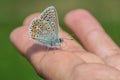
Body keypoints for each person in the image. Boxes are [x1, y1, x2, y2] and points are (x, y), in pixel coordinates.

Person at [10, 9, 120, 80]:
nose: (62, 42)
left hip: (40, 33)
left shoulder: (56, 41)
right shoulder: (54, 38)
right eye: (61, 41)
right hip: (40, 32)